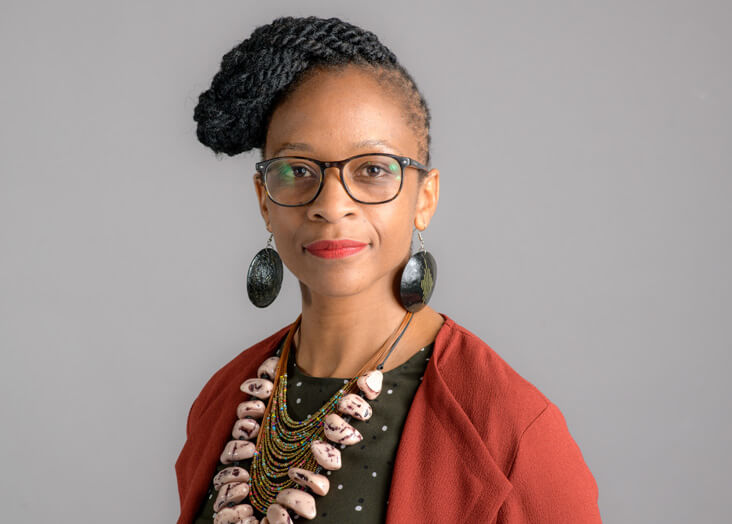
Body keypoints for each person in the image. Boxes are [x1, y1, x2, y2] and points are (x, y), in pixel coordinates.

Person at [175, 15, 601, 524]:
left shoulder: (509, 430)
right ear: (265, 200)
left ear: (425, 197)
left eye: (373, 170)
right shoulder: (223, 399)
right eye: (297, 171)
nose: (332, 206)